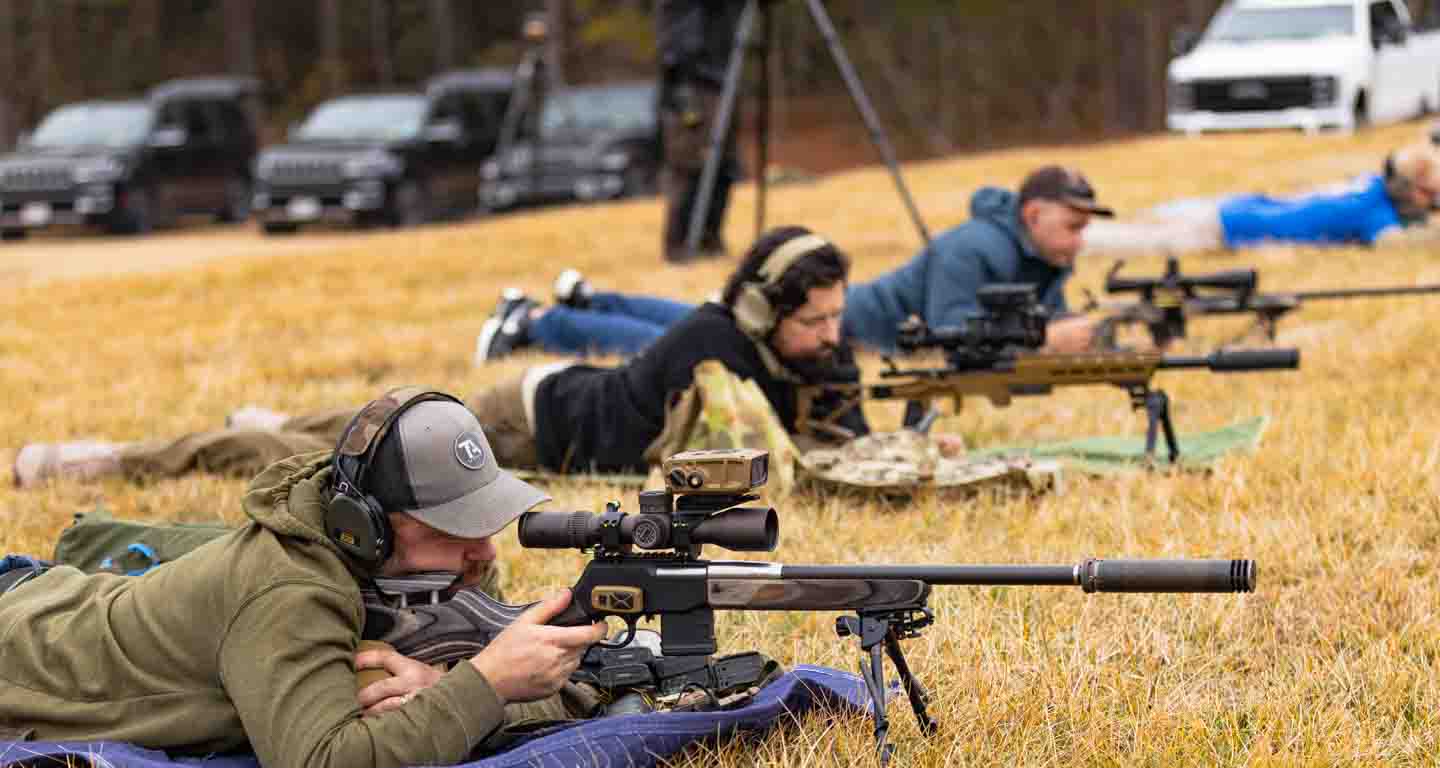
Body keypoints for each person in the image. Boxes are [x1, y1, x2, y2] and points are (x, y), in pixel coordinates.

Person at [0, 389, 609, 768]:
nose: (482, 555)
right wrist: (482, 687)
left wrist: (446, 686)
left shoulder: (419, 572)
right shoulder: (289, 594)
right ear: (364, 528)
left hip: (56, 594)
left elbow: (540, 684)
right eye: (453, 531)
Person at [11, 227, 877, 488]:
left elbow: (845, 443)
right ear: (763, 308)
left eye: (838, 319)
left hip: (542, 406)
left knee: (361, 424)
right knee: (333, 461)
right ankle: (112, 460)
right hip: (524, 425)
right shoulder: (714, 351)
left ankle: (270, 421)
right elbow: (773, 464)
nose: (831, 337)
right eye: (817, 321)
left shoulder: (796, 353)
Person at [474, 164, 1112, 363]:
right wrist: (1045, 340)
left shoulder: (1030, 255)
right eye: (1072, 224)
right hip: (836, 328)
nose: (1079, 239)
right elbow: (952, 342)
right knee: (676, 343)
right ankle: (534, 323)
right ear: (1032, 215)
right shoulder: (976, 248)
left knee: (695, 317)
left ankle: (587, 301)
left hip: (827, 327)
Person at [1083, 140, 1440, 255]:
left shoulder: (1369, 186)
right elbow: (1400, 244)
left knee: (1141, 220)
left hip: (1240, 205)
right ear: (1413, 191)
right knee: (1120, 241)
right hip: (1231, 228)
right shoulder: (1375, 216)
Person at [656, 0, 745, 263]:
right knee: (691, 162)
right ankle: (681, 243)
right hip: (692, 78)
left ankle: (710, 238)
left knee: (724, 164)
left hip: (721, 73)